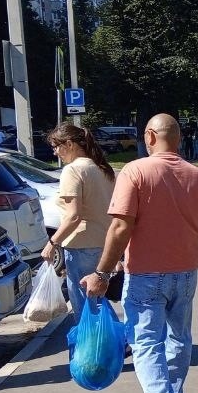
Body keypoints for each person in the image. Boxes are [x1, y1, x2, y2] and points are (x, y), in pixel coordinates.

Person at [81, 114, 198, 393]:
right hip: (186, 273)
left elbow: (121, 228)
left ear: (150, 136)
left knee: (147, 343)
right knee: (179, 339)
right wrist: (189, 232)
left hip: (146, 275)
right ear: (177, 138)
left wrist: (102, 273)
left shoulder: (135, 171)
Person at [41, 123, 117, 323]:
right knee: (97, 297)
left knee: (84, 303)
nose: (56, 152)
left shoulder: (72, 171)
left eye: (57, 147)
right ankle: (116, 340)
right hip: (105, 242)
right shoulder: (102, 168)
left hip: (81, 244)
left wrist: (53, 243)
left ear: (69, 144)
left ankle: (94, 348)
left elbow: (73, 216)